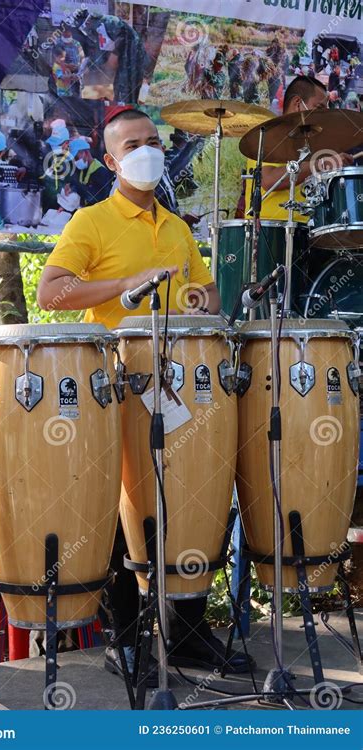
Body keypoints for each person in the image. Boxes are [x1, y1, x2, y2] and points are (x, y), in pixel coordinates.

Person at [37, 108, 250, 685]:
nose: (147, 150)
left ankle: (183, 630)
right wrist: (126, 285)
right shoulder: (92, 221)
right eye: (133, 144)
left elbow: (203, 291)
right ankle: (125, 637)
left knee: (189, 499)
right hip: (117, 384)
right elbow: (52, 293)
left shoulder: (177, 228)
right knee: (121, 505)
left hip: (183, 383)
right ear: (111, 160)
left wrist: (205, 301)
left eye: (154, 141)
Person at [244, 76, 354, 222]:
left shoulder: (313, 142)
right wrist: (321, 164)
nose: (324, 115)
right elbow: (268, 179)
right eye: (319, 108)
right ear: (297, 103)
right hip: (269, 231)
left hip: (307, 230)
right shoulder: (267, 133)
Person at [69, 138, 113, 206]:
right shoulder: (83, 168)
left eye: (76, 158)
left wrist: (76, 186)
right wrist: (70, 187)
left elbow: (95, 197)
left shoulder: (101, 172)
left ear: (86, 153)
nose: (75, 162)